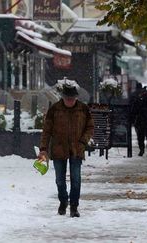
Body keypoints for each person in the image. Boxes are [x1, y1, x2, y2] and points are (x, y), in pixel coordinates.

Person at [38, 84, 94, 218]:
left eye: (72, 98)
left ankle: (74, 206)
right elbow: (47, 130)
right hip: (58, 148)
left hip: (77, 148)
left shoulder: (83, 109)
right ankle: (63, 202)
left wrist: (83, 141)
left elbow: (90, 127)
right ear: (62, 98)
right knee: (60, 180)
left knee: (76, 179)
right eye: (67, 98)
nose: (70, 101)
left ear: (76, 98)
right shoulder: (55, 109)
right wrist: (43, 148)